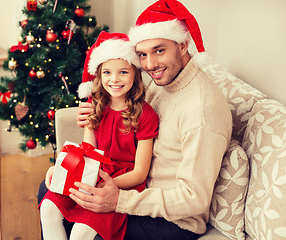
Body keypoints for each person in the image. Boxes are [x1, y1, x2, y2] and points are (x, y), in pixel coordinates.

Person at [62, 0, 233, 239]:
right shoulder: (165, 82)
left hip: (171, 221)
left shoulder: (202, 110)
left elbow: (194, 199)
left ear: (183, 45)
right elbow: (129, 118)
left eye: (159, 50)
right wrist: (96, 114)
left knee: (83, 226)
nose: (150, 65)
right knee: (52, 193)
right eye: (142, 55)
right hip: (135, 188)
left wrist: (118, 200)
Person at [39, 31, 159, 240]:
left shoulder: (146, 115)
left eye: (123, 72)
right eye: (107, 73)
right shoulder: (95, 107)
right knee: (48, 208)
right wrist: (61, 169)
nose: (114, 79)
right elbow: (87, 152)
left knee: (81, 232)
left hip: (122, 183)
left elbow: (140, 173)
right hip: (92, 173)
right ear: (99, 75)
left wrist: (105, 186)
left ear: (135, 74)